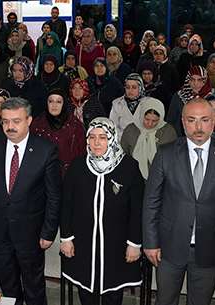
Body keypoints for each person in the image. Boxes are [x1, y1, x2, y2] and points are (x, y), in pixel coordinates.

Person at [143, 98, 215, 305]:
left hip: (210, 247)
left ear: (214, 122)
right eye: (192, 120)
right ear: (183, 123)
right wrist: (150, 242)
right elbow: (151, 201)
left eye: (204, 120)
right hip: (169, 246)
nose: (198, 127)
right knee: (165, 300)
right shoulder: (166, 154)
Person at [0, 97, 61, 305]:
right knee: (7, 287)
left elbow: (54, 196)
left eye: (16, 121)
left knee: (34, 288)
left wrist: (48, 232)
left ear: (29, 120)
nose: (10, 127)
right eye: (5, 121)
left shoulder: (45, 150)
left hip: (32, 234)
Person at [60, 117, 143, 305]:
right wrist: (66, 238)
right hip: (82, 243)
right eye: (92, 137)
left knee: (113, 292)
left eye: (103, 137)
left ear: (112, 138)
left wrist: (134, 243)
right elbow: (66, 205)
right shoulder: (78, 166)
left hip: (117, 244)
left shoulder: (129, 167)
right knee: (85, 289)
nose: (97, 143)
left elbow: (137, 208)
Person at [30, 90, 85, 176]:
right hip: (42, 175)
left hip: (69, 175)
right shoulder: (38, 124)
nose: (54, 105)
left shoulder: (75, 125)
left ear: (64, 104)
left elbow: (82, 153)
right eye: (51, 101)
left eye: (59, 102)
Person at [120, 98, 177, 179]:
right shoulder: (131, 129)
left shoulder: (168, 131)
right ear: (141, 115)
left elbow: (173, 158)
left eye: (155, 121)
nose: (150, 124)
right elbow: (123, 154)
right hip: (133, 176)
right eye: (147, 119)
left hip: (161, 177)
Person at [168, 66, 214, 136]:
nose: (195, 83)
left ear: (205, 81)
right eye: (192, 80)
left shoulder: (212, 96)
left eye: (199, 80)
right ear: (188, 80)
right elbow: (171, 120)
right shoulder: (179, 96)